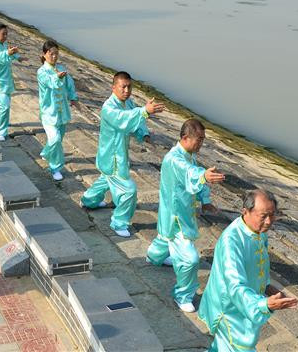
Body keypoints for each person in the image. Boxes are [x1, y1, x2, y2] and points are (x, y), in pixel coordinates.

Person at [198, 190, 298, 351]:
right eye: (263, 216)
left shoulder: (258, 232)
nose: (268, 221)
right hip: (230, 307)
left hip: (246, 300)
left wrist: (266, 286)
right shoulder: (232, 242)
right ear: (246, 211)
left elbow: (261, 264)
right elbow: (235, 285)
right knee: (242, 346)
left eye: (272, 215)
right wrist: (263, 304)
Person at [146, 119, 226, 312]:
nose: (201, 144)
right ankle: (183, 295)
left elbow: (192, 173)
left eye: (202, 140)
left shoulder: (188, 156)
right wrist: (203, 177)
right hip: (176, 217)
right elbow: (189, 173)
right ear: (184, 138)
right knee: (190, 259)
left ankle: (153, 257)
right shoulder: (175, 159)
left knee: (165, 239)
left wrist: (205, 200)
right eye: (199, 140)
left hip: (178, 211)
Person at [80, 71, 165, 237]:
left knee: (106, 179)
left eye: (129, 87)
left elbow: (136, 121)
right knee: (129, 190)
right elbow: (124, 120)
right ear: (114, 87)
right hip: (112, 157)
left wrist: (143, 134)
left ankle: (88, 201)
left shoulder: (129, 103)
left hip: (119, 154)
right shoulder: (109, 108)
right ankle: (119, 222)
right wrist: (144, 111)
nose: (126, 90)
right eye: (123, 87)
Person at [37, 39, 79, 180]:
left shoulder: (61, 68)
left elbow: (70, 84)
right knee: (54, 139)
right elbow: (50, 82)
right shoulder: (42, 72)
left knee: (58, 140)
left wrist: (73, 98)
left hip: (62, 112)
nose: (54, 57)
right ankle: (55, 168)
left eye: (56, 54)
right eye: (51, 54)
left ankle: (46, 152)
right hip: (49, 113)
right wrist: (57, 77)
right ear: (44, 54)